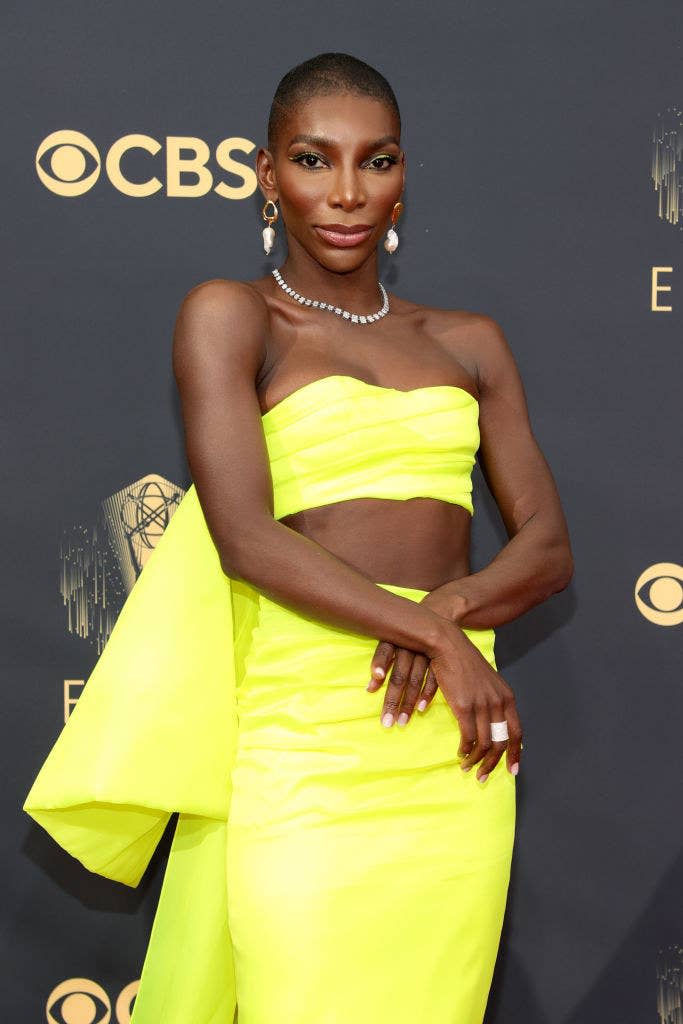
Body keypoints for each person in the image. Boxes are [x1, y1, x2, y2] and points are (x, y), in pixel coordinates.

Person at [24, 52, 573, 1024]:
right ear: (266, 176)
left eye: (377, 160)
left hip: (451, 747)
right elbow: (244, 537)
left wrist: (440, 616)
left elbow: (545, 548)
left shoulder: (469, 341)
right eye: (315, 161)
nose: (348, 191)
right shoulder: (234, 317)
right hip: (306, 735)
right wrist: (435, 636)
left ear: (405, 175)